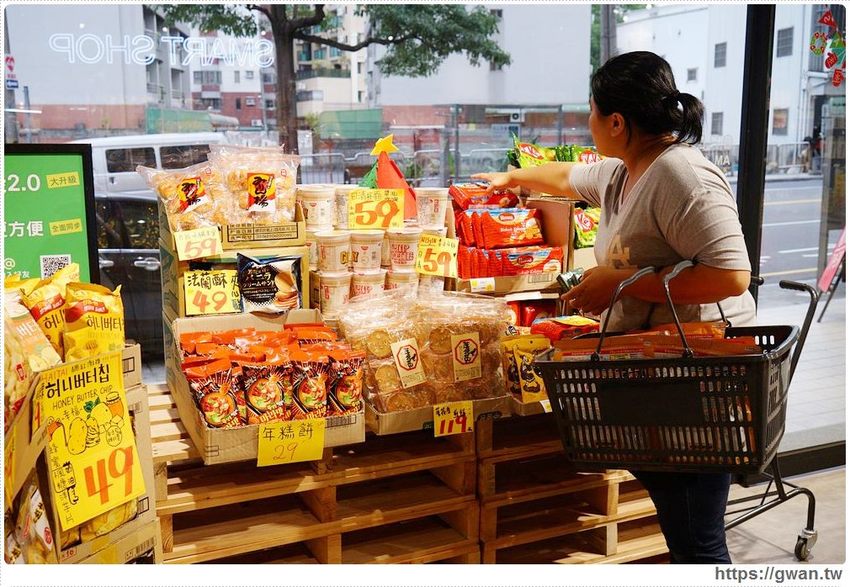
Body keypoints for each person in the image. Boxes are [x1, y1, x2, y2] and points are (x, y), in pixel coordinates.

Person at [473, 51, 756, 564]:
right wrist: (513, 180)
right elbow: (568, 178)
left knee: (697, 540)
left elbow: (732, 275)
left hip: (697, 384)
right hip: (658, 378)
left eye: (591, 113)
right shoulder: (625, 171)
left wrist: (621, 285)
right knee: (684, 526)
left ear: (617, 122)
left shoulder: (682, 177)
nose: (588, 124)